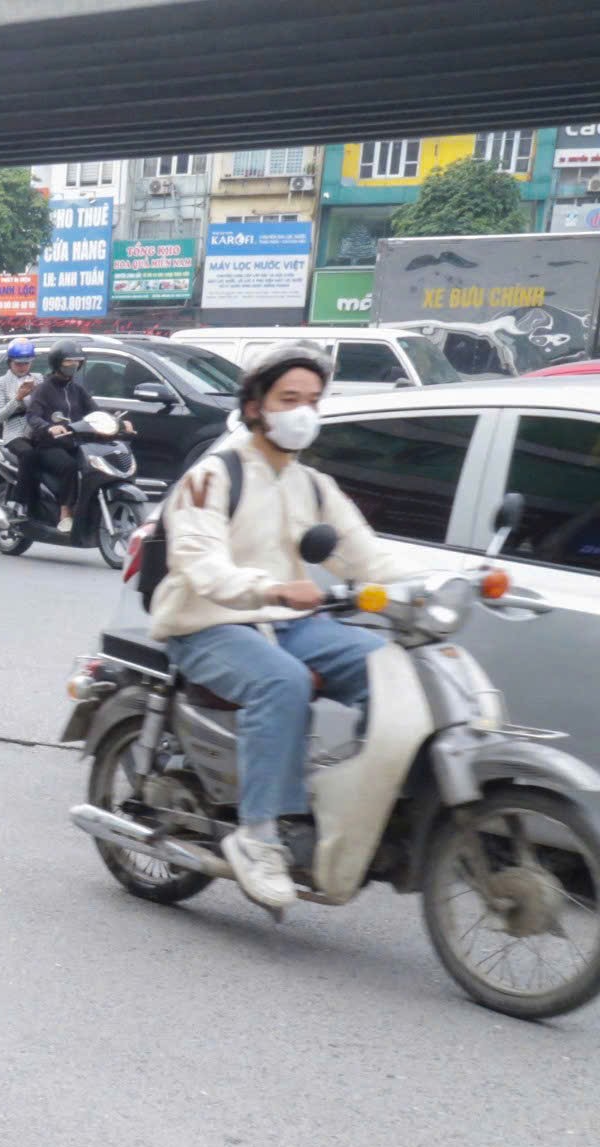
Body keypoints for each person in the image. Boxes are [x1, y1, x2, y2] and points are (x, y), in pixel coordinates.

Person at [149, 342, 401, 913]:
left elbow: (369, 555)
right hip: (208, 623)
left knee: (388, 668)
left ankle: (361, 807)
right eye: (290, 399)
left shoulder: (313, 485)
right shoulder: (215, 474)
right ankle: (257, 834)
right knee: (281, 683)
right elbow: (200, 562)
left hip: (284, 623)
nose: (303, 412)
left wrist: (436, 588)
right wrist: (270, 587)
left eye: (313, 400)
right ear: (257, 406)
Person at [23, 339, 95, 529]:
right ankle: (65, 512)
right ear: (57, 363)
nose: (73, 366)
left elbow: (95, 412)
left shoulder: (77, 389)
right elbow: (33, 416)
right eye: (68, 362)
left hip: (74, 442)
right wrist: (48, 427)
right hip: (48, 445)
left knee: (92, 466)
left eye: (77, 362)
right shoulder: (43, 389)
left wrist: (118, 423)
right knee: (69, 466)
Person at [0, 337, 41, 513]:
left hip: (38, 429)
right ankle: (20, 501)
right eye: (19, 364)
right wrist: (18, 398)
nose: (23, 367)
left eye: (27, 364)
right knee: (28, 455)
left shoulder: (38, 379)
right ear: (10, 362)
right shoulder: (0, 383)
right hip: (15, 432)